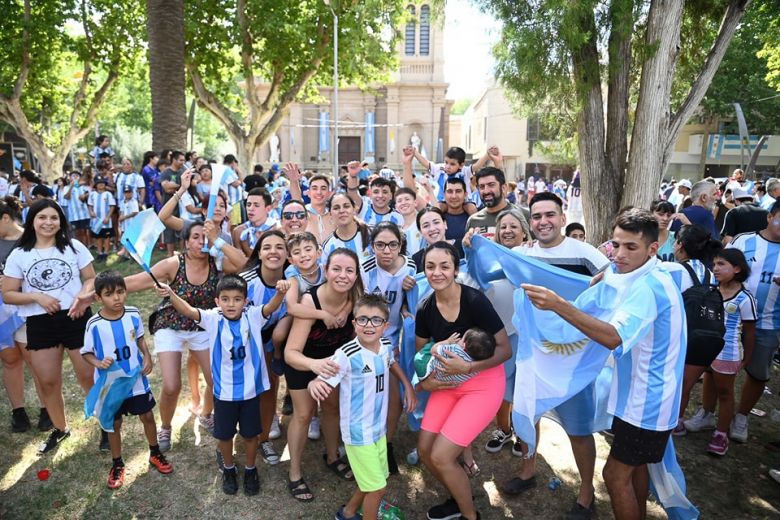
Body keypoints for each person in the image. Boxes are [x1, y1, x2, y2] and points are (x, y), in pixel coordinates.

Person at [523, 208, 685, 520]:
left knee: (614, 475)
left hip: (648, 403)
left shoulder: (648, 288)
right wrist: (607, 276)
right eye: (615, 244)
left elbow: (613, 337)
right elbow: (614, 284)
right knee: (635, 471)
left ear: (654, 248)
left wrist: (558, 305)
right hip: (634, 397)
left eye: (630, 247)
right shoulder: (637, 273)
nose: (619, 254)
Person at [503, 192, 608, 518]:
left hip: (571, 358)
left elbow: (613, 284)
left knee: (578, 430)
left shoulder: (586, 254)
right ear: (529, 222)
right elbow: (489, 266)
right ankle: (528, 469)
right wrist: (470, 246)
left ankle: (587, 492)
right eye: (536, 217)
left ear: (563, 218)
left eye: (550, 215)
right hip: (534, 354)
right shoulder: (521, 254)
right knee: (528, 413)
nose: (543, 221)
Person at [157, 274, 286, 495]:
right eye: (225, 299)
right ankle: (228, 468)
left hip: (250, 392)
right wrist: (170, 294)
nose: (231, 304)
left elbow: (271, 307)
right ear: (217, 302)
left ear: (245, 301)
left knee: (250, 434)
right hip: (224, 392)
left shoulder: (253, 315)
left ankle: (250, 468)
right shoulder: (212, 318)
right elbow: (188, 310)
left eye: (237, 299)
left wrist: (281, 293)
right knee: (225, 435)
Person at [415, 242, 511, 520]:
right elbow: (422, 354)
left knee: (442, 456)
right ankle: (457, 496)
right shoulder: (425, 309)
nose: (437, 272)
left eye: (444, 266)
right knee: (425, 451)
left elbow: (505, 349)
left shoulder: (474, 301)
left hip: (483, 383)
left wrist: (468, 366)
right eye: (430, 266)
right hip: (447, 383)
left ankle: (470, 516)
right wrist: (426, 384)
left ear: (456, 270)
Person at [309, 294, 416, 520]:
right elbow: (325, 376)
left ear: (385, 326)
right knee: (377, 487)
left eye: (376, 320)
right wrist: (314, 383)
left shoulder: (386, 345)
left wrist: (407, 385)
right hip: (358, 433)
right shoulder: (347, 354)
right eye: (363, 319)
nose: (369, 325)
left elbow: (391, 363)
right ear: (354, 323)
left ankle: (348, 513)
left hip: (379, 429)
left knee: (375, 480)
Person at [2, 199, 95, 454]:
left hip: (77, 317)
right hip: (40, 322)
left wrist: (82, 296)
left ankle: (107, 426)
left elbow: (90, 279)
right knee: (48, 381)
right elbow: (9, 294)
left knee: (88, 376)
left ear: (61, 221)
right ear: (32, 220)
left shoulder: (74, 247)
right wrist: (37, 297)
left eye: (54, 218)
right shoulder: (20, 254)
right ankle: (60, 428)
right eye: (42, 217)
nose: (48, 222)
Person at [123, 221, 219, 449]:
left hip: (201, 323)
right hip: (171, 322)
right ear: (186, 241)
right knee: (172, 385)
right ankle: (165, 427)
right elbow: (136, 281)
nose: (201, 242)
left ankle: (205, 414)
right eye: (196, 237)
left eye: (205, 237)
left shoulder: (218, 262)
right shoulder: (174, 263)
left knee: (217, 380)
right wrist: (96, 286)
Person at [284, 248, 364, 501]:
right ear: (326, 271)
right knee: (305, 414)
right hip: (303, 361)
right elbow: (291, 353)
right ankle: (295, 473)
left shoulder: (355, 296)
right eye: (337, 269)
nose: (343, 275)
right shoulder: (310, 302)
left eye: (349, 270)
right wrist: (315, 366)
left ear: (356, 275)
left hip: (332, 361)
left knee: (332, 408)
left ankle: (332, 456)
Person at [81, 271, 173, 489]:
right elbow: (86, 353)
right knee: (115, 422)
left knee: (148, 415)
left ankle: (154, 452)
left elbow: (139, 338)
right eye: (109, 294)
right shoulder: (94, 324)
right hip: (111, 383)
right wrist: (97, 363)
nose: (117, 298)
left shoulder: (133, 314)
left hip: (135, 378)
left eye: (121, 292)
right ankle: (117, 463)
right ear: (98, 298)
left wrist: (147, 356)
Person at [462, 208, 530, 457]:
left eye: (514, 226)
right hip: (500, 330)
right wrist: (470, 249)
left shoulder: (534, 256)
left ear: (524, 231)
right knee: (502, 387)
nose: (508, 231)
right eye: (503, 227)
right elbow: (475, 274)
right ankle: (504, 429)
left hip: (526, 334)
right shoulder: (490, 258)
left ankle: (525, 435)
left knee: (523, 389)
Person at [684, 249, 756, 456]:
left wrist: (747, 358)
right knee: (707, 382)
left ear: (737, 268)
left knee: (725, 392)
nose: (715, 269)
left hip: (728, 351)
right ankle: (705, 415)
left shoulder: (745, 298)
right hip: (704, 348)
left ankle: (721, 434)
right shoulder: (710, 291)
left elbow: (750, 333)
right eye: (714, 264)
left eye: (721, 264)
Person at [360, 222, 417, 474]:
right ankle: (360, 444)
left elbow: (409, 305)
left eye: (392, 244)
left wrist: (405, 307)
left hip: (392, 340)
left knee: (393, 397)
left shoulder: (411, 267)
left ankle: (387, 444)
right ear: (372, 247)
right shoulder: (364, 269)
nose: (386, 250)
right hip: (364, 338)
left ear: (400, 246)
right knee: (366, 394)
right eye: (380, 245)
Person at [726, 201, 780, 443]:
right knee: (715, 367)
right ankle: (707, 412)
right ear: (769, 217)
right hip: (731, 319)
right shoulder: (744, 241)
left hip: (769, 325)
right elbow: (722, 267)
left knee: (758, 374)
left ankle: (741, 416)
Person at [238, 230, 290, 465]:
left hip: (274, 341)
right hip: (245, 340)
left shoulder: (293, 278)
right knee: (245, 389)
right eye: (267, 247)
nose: (273, 251)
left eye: (280, 246)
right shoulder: (246, 281)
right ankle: (243, 429)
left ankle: (264, 437)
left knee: (269, 387)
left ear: (287, 253)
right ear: (258, 253)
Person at [667, 225, 723, 436]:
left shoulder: (671, 270)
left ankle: (661, 424)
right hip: (703, 338)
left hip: (676, 337)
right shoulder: (710, 274)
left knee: (669, 384)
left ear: (680, 245)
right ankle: (676, 423)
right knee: (685, 386)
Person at [0, 196, 48, 432]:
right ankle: (18, 411)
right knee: (10, 359)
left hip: (27, 308)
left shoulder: (30, 240)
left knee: (35, 360)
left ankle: (46, 408)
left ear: (6, 218)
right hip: (2, 311)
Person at [466, 167, 528, 239]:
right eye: (482, 187)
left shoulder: (524, 216)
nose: (486, 191)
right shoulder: (473, 221)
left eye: (491, 185)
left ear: (503, 188)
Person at [418, 328, 496, 384]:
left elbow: (433, 350)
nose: (459, 339)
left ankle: (418, 381)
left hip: (426, 369)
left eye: (462, 338)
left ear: (463, 345)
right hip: (442, 379)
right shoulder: (476, 370)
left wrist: (447, 341)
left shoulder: (455, 350)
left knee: (432, 344)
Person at [346, 163, 403, 228]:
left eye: (385, 192)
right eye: (376, 192)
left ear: (391, 196)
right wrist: (353, 176)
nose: (380, 195)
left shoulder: (399, 217)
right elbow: (352, 193)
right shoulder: (364, 209)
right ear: (370, 194)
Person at [321, 192, 372, 262]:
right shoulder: (328, 246)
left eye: (346, 206)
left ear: (354, 209)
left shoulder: (372, 232)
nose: (342, 211)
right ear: (330, 214)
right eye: (336, 208)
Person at [412, 207, 463, 272]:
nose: (432, 228)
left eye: (436, 222)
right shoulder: (416, 259)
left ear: (445, 224)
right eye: (426, 226)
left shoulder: (463, 246)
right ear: (420, 231)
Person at [232, 188, 277, 256]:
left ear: (268, 209)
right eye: (248, 205)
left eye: (256, 205)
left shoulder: (277, 229)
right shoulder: (239, 231)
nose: (251, 209)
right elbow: (238, 261)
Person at [88, 177, 116, 263]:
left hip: (106, 220)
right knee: (98, 237)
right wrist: (91, 212)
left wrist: (108, 217)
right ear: (95, 185)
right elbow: (90, 205)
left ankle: (106, 253)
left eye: (103, 183)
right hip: (96, 221)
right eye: (99, 183)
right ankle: (100, 253)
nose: (101, 185)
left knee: (106, 237)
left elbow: (112, 206)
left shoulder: (108, 194)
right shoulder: (92, 194)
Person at [63, 171, 92, 249]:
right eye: (73, 176)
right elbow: (66, 197)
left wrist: (86, 195)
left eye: (77, 176)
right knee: (77, 232)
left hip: (85, 214)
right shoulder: (66, 187)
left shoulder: (84, 187)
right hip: (74, 215)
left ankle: (85, 247)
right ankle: (79, 248)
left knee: (84, 231)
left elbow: (90, 194)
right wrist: (71, 187)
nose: (75, 177)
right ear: (70, 178)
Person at [441, 178, 471, 249]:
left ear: (465, 194)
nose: (454, 196)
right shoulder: (438, 218)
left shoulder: (473, 216)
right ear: (444, 194)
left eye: (458, 191)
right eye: (450, 191)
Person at [394, 187, 424, 257]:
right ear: (396, 207)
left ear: (415, 203)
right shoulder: (397, 230)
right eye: (399, 201)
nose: (403, 203)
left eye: (407, 199)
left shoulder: (423, 223)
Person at [116, 186, 139, 261]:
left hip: (132, 223)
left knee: (132, 239)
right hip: (125, 224)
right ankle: (126, 254)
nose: (128, 194)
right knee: (125, 239)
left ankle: (132, 255)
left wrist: (124, 217)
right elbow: (121, 211)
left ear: (132, 193)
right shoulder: (122, 202)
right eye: (126, 192)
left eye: (129, 192)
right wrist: (120, 218)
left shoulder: (134, 201)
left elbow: (135, 212)